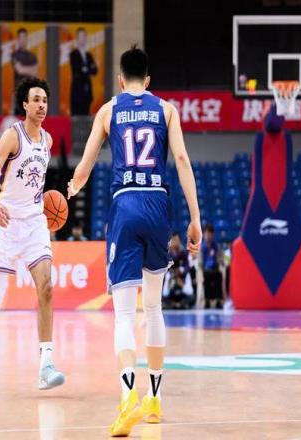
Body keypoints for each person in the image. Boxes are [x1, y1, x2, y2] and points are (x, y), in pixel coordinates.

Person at [67, 46, 201, 436]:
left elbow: (86, 164)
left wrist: (72, 187)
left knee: (125, 315)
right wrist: (195, 218)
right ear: (149, 79)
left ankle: (128, 399)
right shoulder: (167, 110)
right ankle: (155, 400)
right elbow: (181, 160)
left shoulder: (108, 111)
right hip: (159, 204)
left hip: (124, 204)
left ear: (120, 80)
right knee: (154, 309)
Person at [0, 77, 64, 397]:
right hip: (6, 223)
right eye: (36, 100)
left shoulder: (48, 140)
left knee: (46, 288)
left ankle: (46, 366)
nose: (41, 105)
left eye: (45, 101)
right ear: (25, 104)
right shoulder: (13, 136)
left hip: (34, 223)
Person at [69, 27, 98, 115]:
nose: (83, 39)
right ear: (77, 39)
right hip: (77, 92)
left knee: (86, 115)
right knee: (77, 116)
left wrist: (85, 69)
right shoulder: (73, 54)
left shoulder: (89, 55)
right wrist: (88, 68)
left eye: (84, 36)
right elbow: (77, 70)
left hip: (87, 91)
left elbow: (95, 70)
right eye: (81, 37)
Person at [11, 28, 38, 115]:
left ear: (27, 39)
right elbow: (19, 70)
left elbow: (35, 73)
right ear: (18, 40)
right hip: (18, 94)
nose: (23, 40)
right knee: (17, 121)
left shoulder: (32, 56)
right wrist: (30, 70)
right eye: (21, 38)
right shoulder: (15, 55)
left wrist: (24, 68)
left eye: (24, 38)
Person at [199, 224, 224, 309]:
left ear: (212, 235)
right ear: (204, 235)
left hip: (215, 269)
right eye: (206, 234)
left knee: (219, 276)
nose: (208, 236)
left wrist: (220, 265)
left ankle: (218, 300)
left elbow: (220, 258)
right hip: (205, 270)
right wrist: (201, 270)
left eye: (210, 234)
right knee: (206, 277)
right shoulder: (202, 247)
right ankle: (207, 300)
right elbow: (200, 261)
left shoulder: (216, 246)